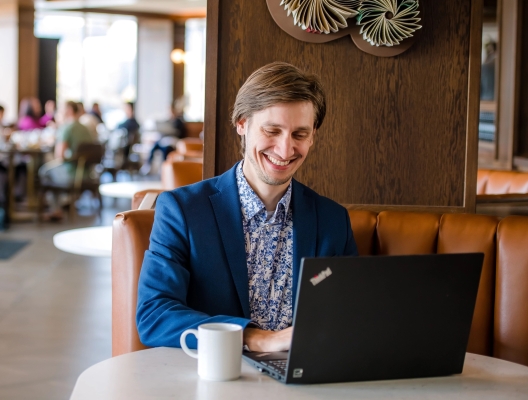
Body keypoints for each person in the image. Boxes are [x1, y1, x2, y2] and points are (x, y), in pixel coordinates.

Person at [136, 62, 358, 352]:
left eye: (299, 134)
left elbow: (350, 314)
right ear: (242, 123)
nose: (285, 149)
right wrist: (257, 338)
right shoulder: (182, 210)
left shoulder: (333, 220)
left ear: (313, 135)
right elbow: (154, 315)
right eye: (272, 130)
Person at [39, 101, 93, 220]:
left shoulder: (67, 128)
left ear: (68, 110)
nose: (58, 112)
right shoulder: (85, 128)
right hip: (88, 173)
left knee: (44, 171)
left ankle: (57, 209)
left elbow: (59, 155)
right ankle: (65, 202)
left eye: (61, 109)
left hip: (73, 174)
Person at [139, 98, 187, 175]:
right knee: (155, 145)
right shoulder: (167, 121)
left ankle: (165, 168)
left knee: (166, 148)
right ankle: (148, 165)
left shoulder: (179, 122)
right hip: (164, 140)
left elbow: (180, 134)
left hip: (174, 141)